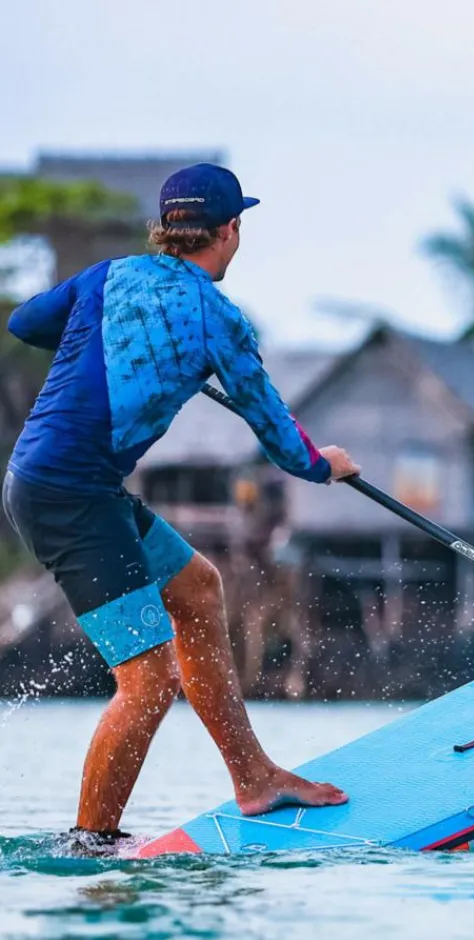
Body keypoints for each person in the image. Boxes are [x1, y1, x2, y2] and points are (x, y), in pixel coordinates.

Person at [2, 164, 358, 849]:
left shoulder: (107, 277)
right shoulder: (217, 319)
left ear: (164, 230)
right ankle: (91, 850)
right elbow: (284, 441)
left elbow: (25, 322)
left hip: (62, 482)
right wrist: (327, 466)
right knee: (147, 681)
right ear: (229, 232)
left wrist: (107, 334)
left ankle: (254, 779)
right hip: (69, 496)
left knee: (197, 587)